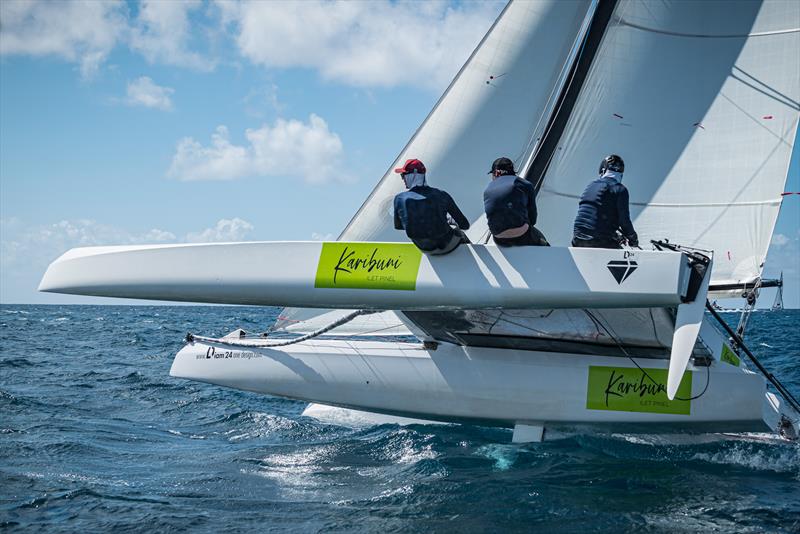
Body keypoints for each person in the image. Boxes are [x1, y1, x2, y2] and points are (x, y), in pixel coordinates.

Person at [393, 158, 470, 255]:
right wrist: (447, 220)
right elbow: (465, 225)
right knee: (460, 232)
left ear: (412, 175)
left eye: (403, 175)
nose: (403, 179)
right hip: (446, 246)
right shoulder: (441, 195)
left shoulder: (399, 199)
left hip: (422, 248)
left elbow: (399, 226)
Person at [572, 154, 638, 249]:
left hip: (577, 240)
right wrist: (633, 238)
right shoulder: (620, 189)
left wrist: (615, 236)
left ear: (603, 170)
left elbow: (595, 218)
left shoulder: (591, 185)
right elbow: (624, 221)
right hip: (599, 241)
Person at [483, 157, 549, 247]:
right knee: (541, 240)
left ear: (495, 173)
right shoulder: (525, 184)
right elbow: (533, 219)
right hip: (522, 236)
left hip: (498, 239)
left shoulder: (487, 189)